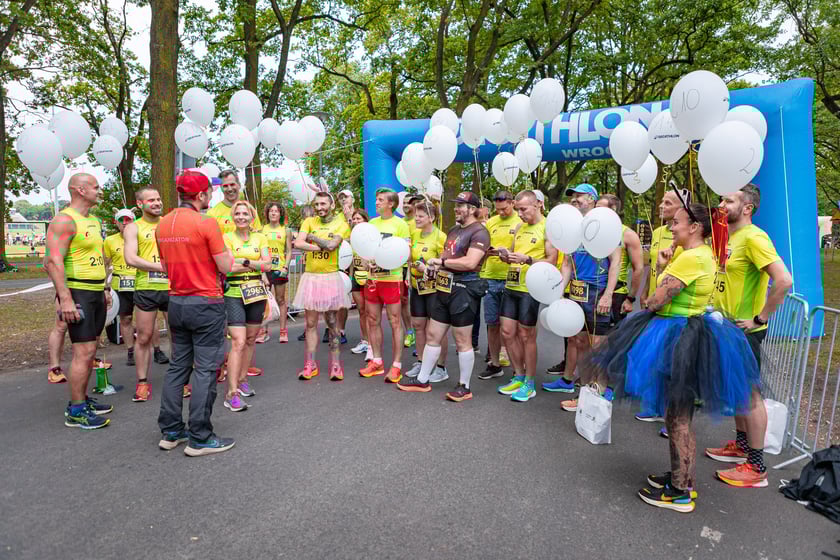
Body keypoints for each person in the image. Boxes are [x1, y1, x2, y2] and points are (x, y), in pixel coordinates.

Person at [581, 201, 759, 513]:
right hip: (684, 332)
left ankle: (681, 490)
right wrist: (664, 269)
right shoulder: (698, 254)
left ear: (695, 227)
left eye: (677, 222)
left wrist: (653, 294)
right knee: (678, 414)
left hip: (677, 336)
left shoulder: (691, 258)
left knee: (677, 416)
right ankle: (680, 476)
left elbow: (657, 301)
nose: (671, 227)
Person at [706, 184, 793, 488]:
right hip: (725, 326)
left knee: (751, 396)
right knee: (739, 392)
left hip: (745, 330)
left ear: (747, 208)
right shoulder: (729, 235)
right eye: (720, 199)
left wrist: (760, 317)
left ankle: (756, 468)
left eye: (728, 200)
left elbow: (783, 280)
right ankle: (741, 447)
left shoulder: (755, 238)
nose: (721, 204)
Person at [156, 170, 235, 456]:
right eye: (209, 192)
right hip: (206, 302)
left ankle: (171, 431)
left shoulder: (162, 224)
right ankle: (200, 437)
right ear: (200, 195)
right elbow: (225, 265)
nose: (211, 196)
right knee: (204, 369)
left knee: (178, 366)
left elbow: (165, 267)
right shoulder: (206, 222)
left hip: (177, 302)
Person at [397, 191, 490, 401]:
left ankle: (464, 386)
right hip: (444, 286)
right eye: (456, 204)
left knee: (462, 340)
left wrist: (442, 263)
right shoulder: (455, 230)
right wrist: (432, 265)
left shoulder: (479, 232)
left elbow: (470, 262)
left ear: (473, 209)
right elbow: (446, 256)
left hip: (465, 289)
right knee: (432, 335)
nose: (456, 208)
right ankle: (422, 380)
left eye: (461, 205)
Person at [540, 184, 621, 407]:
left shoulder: (605, 224)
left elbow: (616, 262)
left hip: (597, 291)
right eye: (572, 197)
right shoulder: (570, 226)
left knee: (598, 345)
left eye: (580, 196)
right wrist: (559, 291)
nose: (575, 199)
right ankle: (584, 394)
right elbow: (567, 263)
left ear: (592, 199)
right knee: (579, 342)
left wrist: (608, 294)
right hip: (576, 290)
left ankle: (600, 392)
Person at [44, 172, 113, 429]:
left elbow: (97, 259)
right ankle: (76, 411)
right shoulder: (64, 220)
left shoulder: (93, 221)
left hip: (95, 291)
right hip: (78, 292)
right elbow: (52, 261)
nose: (100, 190)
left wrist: (104, 289)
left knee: (91, 350)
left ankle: (82, 398)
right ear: (80, 190)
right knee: (82, 352)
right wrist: (65, 299)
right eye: (95, 187)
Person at [496, 190, 558, 402]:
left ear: (538, 204)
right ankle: (518, 375)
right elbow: (514, 254)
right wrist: (505, 255)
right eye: (518, 210)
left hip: (531, 288)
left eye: (523, 209)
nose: (520, 214)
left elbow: (552, 261)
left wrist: (528, 259)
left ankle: (529, 382)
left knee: (526, 335)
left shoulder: (548, 228)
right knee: (506, 331)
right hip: (512, 284)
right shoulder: (520, 227)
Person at [294, 191, 352, 380]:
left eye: (323, 204)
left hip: (330, 278)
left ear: (332, 205)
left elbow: (332, 246)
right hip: (311, 278)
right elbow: (298, 243)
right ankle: (310, 364)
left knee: (332, 323)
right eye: (316, 204)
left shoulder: (341, 225)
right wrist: (317, 245)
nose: (319, 208)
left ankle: (335, 365)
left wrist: (313, 238)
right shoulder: (309, 221)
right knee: (310, 323)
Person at [222, 201, 271, 411]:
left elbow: (268, 264)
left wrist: (244, 262)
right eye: (238, 213)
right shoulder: (226, 238)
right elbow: (227, 268)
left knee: (251, 339)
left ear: (252, 217)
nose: (241, 217)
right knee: (238, 342)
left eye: (245, 214)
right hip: (233, 293)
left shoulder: (261, 238)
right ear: (233, 217)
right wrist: (254, 263)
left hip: (256, 293)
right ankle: (231, 393)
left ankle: (242, 379)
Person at [123, 187, 171, 403]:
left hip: (173, 286)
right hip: (147, 287)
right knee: (144, 336)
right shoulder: (133, 227)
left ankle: (182, 380)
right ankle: (142, 382)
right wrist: (160, 267)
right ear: (140, 203)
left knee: (178, 336)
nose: (157, 203)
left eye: (159, 199)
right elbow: (130, 258)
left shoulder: (170, 223)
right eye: (151, 200)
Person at [359, 188, 410, 382]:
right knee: (372, 319)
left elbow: (405, 253)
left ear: (391, 204)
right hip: (373, 279)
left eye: (381, 200)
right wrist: (366, 261)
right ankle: (377, 361)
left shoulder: (401, 225)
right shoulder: (371, 223)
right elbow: (365, 251)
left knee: (394, 321)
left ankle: (396, 365)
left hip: (392, 279)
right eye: (377, 199)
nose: (377, 202)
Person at [403, 199, 449, 382]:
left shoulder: (441, 237)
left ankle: (440, 367)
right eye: (415, 216)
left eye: (420, 216)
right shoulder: (414, 234)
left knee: (436, 330)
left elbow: (446, 266)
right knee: (418, 326)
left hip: (435, 289)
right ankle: (421, 362)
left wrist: (428, 269)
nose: (416, 219)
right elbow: (409, 258)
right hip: (417, 287)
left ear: (431, 217)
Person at [477, 190, 519, 380]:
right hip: (490, 276)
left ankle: (518, 368)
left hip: (512, 278)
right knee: (492, 323)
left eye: (504, 209)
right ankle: (494, 363)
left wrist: (508, 253)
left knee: (511, 328)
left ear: (512, 203)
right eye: (498, 209)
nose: (501, 212)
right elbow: (481, 246)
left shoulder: (520, 221)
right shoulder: (491, 222)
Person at [104, 209, 138, 366]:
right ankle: (130, 351)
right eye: (121, 220)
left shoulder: (141, 237)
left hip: (142, 282)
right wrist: (105, 287)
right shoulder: (110, 241)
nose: (125, 223)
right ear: (116, 223)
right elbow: (105, 264)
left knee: (148, 320)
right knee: (126, 318)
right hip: (121, 285)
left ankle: (156, 349)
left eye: (128, 220)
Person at [639, 189, 684, 309]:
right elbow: (653, 264)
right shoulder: (657, 232)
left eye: (668, 203)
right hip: (652, 299)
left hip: (672, 303)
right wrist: (645, 291)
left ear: (682, 208)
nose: (660, 206)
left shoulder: (686, 236)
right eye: (662, 202)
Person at [260, 201, 292, 343]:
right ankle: (263, 331)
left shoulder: (286, 230)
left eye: (276, 211)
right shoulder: (262, 230)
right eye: (271, 211)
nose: (273, 213)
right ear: (267, 213)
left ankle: (283, 331)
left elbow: (289, 251)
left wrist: (285, 267)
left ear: (280, 214)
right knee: (263, 301)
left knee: (280, 300)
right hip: (265, 268)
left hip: (279, 269)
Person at [206, 170, 263, 234]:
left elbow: (259, 237)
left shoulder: (251, 211)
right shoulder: (212, 214)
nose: (229, 189)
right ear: (221, 188)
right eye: (225, 186)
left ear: (239, 185)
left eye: (232, 184)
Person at [349, 209, 372, 358]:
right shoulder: (351, 237)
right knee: (361, 310)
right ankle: (364, 340)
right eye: (354, 219)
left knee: (371, 312)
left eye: (359, 218)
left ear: (365, 220)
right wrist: (350, 278)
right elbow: (350, 260)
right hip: (356, 277)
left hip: (369, 277)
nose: (356, 221)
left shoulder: (371, 236)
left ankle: (372, 343)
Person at [400, 194, 420, 350]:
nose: (406, 205)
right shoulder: (399, 222)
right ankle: (410, 331)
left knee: (417, 301)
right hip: (401, 265)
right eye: (404, 203)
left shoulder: (419, 221)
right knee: (403, 301)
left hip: (417, 265)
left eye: (409, 203)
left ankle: (421, 335)